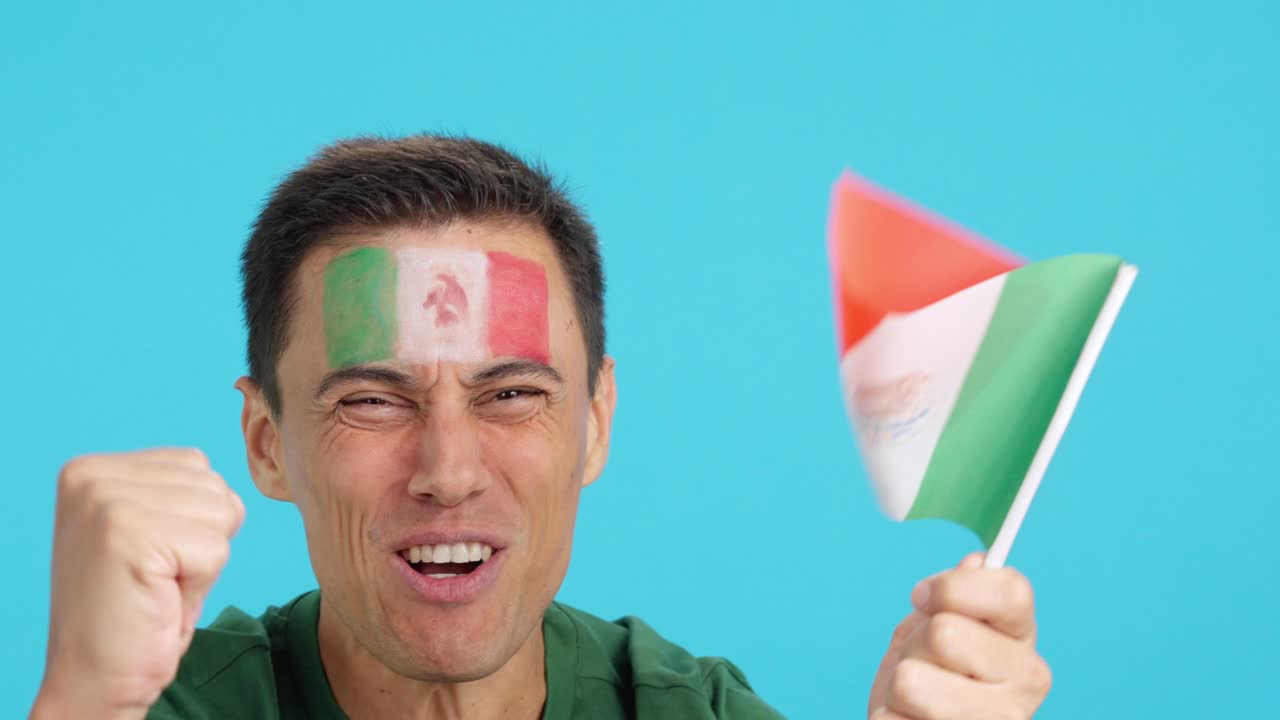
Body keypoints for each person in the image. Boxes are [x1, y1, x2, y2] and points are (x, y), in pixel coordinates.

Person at [28, 135, 1052, 720]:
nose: (448, 469)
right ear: (266, 442)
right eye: (373, 400)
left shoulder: (684, 714)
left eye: (511, 393)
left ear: (595, 423)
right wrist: (79, 700)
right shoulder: (148, 709)